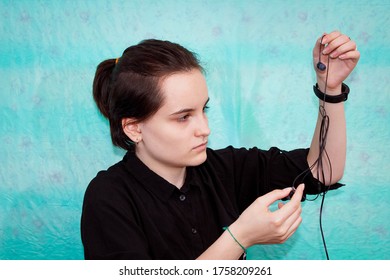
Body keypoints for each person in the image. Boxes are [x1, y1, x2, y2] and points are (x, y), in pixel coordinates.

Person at [81, 31, 360, 260]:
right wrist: (240, 237)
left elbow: (323, 170)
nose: (205, 129)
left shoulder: (224, 168)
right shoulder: (108, 197)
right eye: (183, 117)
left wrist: (330, 90)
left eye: (204, 110)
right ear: (133, 127)